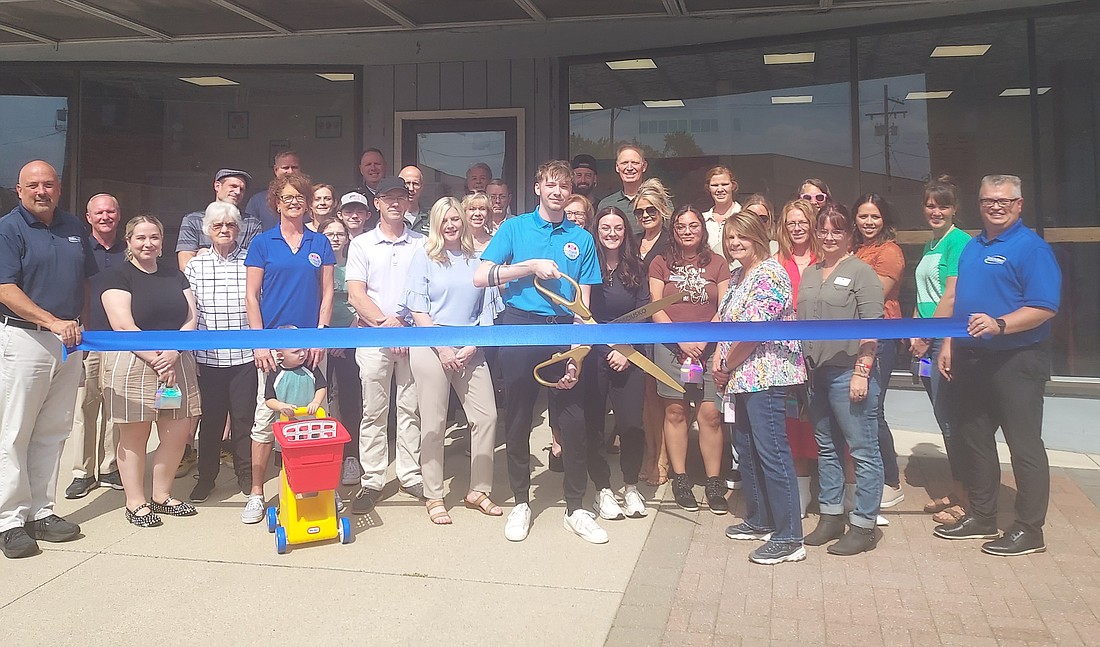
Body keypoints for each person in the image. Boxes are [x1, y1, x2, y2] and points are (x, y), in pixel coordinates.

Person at [475, 159, 607, 544]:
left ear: (571, 193)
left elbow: (585, 301)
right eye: (550, 185)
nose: (557, 192)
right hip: (520, 327)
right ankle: (521, 501)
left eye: (564, 188)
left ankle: (576, 507)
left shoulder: (580, 238)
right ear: (538, 188)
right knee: (517, 417)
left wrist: (580, 351)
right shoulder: (514, 228)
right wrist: (528, 266)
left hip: (565, 329)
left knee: (574, 420)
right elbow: (480, 275)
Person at [933, 175, 1061, 557]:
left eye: (1005, 200)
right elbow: (960, 302)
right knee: (974, 438)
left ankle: (1028, 529)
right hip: (972, 357)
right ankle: (983, 516)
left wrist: (1001, 324)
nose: (996, 206)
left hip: (1017, 358)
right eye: (989, 200)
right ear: (980, 203)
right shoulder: (972, 247)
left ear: (1019, 204)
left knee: (1024, 446)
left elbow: (1043, 307)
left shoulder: (1031, 248)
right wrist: (949, 343)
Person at [0, 160, 95, 558]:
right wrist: (53, 322)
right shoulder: (9, 228)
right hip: (26, 339)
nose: (42, 191)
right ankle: (9, 521)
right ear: (19, 191)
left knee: (53, 431)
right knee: (15, 433)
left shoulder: (73, 226)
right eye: (33, 185)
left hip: (67, 343)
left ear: (59, 188)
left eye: (49, 185)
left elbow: (84, 282)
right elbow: (5, 289)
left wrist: (77, 326)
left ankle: (41, 511)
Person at [713, 212, 807, 565]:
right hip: (739, 375)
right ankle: (760, 519)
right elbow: (725, 323)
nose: (735, 243)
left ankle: (789, 537)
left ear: (758, 237)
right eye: (730, 238)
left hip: (767, 375)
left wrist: (726, 364)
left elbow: (754, 330)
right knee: (747, 449)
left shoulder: (771, 274)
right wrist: (718, 361)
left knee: (772, 451)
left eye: (742, 237)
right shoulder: (738, 275)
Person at [242, 173, 335, 524]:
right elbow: (252, 296)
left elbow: (327, 293)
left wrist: (319, 337)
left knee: (313, 420)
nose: (294, 202)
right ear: (276, 202)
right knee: (265, 422)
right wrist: (260, 341)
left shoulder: (319, 243)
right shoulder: (263, 243)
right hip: (273, 347)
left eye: (300, 197)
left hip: (310, 347)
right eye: (287, 197)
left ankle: (320, 490)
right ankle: (256, 493)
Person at [403, 197, 502, 525]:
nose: (451, 225)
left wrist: (472, 345)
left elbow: (487, 309)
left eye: (455, 219)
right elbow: (418, 310)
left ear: (464, 222)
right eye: (444, 220)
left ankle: (479, 490)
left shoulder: (479, 260)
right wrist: (443, 349)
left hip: (471, 348)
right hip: (432, 347)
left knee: (486, 416)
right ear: (435, 223)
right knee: (434, 423)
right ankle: (434, 494)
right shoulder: (424, 258)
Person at [100, 215, 201, 527]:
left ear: (162, 242)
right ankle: (135, 502)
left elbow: (191, 318)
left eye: (154, 237)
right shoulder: (116, 275)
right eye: (141, 238)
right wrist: (155, 358)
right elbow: (122, 324)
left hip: (176, 363)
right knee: (134, 435)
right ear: (129, 242)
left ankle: (162, 495)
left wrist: (173, 353)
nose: (148, 243)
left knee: (176, 432)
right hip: (134, 363)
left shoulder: (176, 276)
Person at [798, 202, 884, 556]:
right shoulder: (810, 272)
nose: (829, 236)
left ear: (850, 235)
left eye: (837, 230)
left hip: (849, 372)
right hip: (815, 374)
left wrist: (862, 371)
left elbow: (872, 326)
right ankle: (831, 516)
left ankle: (864, 525)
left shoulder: (861, 272)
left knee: (863, 450)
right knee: (826, 449)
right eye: (824, 230)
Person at [346, 176, 426, 514]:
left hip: (412, 336)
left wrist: (404, 325)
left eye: (400, 197)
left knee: (411, 409)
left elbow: (427, 288)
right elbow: (356, 293)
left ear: (408, 202)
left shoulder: (422, 243)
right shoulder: (361, 244)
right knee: (374, 411)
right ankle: (373, 479)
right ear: (376, 203)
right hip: (373, 337)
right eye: (386, 197)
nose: (394, 203)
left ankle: (410, 475)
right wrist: (385, 326)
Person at [649, 204, 731, 513]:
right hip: (671, 348)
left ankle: (713, 482)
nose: (687, 230)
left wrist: (703, 340)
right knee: (675, 412)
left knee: (710, 414)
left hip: (710, 350)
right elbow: (655, 306)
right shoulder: (660, 262)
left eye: (693, 225)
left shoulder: (718, 264)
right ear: (674, 230)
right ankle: (681, 479)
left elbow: (724, 308)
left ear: (702, 228)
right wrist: (681, 340)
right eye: (681, 226)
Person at [184, 202, 256, 502]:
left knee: (243, 419)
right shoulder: (195, 265)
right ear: (208, 231)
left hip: (245, 356)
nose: (225, 230)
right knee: (211, 421)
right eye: (218, 226)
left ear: (238, 229)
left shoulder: (252, 261)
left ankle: (246, 474)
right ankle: (207, 476)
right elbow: (191, 311)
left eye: (230, 225)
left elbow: (258, 302)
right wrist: (190, 354)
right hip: (208, 357)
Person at [583, 206, 650, 520]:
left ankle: (631, 486)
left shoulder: (636, 266)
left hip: (629, 356)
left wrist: (625, 349)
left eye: (618, 228)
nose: (612, 233)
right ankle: (602, 490)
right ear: (597, 230)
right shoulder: (587, 265)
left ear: (626, 233)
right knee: (593, 425)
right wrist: (605, 346)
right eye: (605, 227)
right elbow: (583, 314)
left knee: (632, 426)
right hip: (594, 355)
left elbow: (644, 311)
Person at [911, 175, 971, 524]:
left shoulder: (957, 242)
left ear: (954, 209)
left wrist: (935, 334)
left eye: (943, 205)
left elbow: (951, 294)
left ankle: (966, 499)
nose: (936, 211)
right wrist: (917, 329)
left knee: (952, 419)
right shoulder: (931, 243)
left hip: (946, 338)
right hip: (929, 335)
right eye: (931, 205)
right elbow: (923, 295)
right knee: (942, 416)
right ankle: (956, 488)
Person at [65, 193, 125, 499]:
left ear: (118, 214)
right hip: (87, 339)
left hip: (119, 342)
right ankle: (83, 472)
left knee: (116, 409)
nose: (105, 216)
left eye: (110, 211)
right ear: (89, 218)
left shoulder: (129, 250)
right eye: (99, 212)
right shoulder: (77, 249)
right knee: (85, 408)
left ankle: (111, 466)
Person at [852, 193, 906, 512]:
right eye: (863, 216)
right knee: (861, 410)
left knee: (874, 409)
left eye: (874, 216)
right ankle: (868, 476)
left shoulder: (890, 251)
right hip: (854, 336)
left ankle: (891, 481)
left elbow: (875, 295)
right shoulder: (855, 249)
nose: (869, 222)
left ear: (884, 218)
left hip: (880, 335)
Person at [774, 198, 821, 518]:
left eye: (802, 221)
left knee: (828, 425)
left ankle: (839, 499)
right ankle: (801, 496)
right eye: (791, 222)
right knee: (795, 425)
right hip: (789, 356)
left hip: (824, 355)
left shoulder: (826, 259)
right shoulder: (777, 261)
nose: (797, 227)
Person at [317, 217, 363, 486]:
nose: (335, 238)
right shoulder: (315, 267)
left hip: (351, 340)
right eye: (329, 233)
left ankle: (350, 456)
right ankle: (323, 453)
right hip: (320, 341)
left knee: (349, 400)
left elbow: (361, 301)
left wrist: (344, 339)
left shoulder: (354, 265)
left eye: (339, 233)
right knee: (320, 400)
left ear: (347, 237)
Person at [633, 177, 673, 487]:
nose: (645, 216)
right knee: (646, 396)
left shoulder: (672, 242)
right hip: (636, 325)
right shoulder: (631, 242)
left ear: (661, 211)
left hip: (664, 322)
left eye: (650, 211)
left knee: (665, 396)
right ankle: (651, 453)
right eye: (639, 212)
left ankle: (665, 458)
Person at [176, 168, 263, 270]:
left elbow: (254, 265)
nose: (238, 192)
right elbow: (185, 266)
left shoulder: (252, 223)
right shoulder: (192, 221)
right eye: (233, 186)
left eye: (242, 189)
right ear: (217, 186)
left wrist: (202, 255)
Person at [264, 345, 327, 420]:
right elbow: (269, 399)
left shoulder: (310, 366)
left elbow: (321, 387)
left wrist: (316, 402)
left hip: (312, 421)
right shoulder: (274, 372)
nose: (303, 353)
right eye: (296, 352)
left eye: (304, 349)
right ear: (280, 355)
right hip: (286, 423)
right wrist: (280, 406)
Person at [598, 144, 650, 234]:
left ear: (644, 166)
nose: (629, 168)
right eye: (624, 163)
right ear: (617, 167)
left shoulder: (659, 201)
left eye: (634, 163)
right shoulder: (605, 204)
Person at [247, 151, 302, 230]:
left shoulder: (309, 199)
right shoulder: (257, 201)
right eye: (285, 168)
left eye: (294, 167)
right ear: (276, 170)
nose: (290, 171)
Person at [701, 166, 742, 254]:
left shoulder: (744, 216)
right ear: (708, 188)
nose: (720, 189)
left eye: (724, 184)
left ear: (733, 186)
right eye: (715, 185)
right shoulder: (701, 220)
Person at [355, 148, 386, 222]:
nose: (373, 168)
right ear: (361, 169)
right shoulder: (355, 195)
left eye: (377, 164)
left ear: (385, 166)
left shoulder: (395, 195)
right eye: (368, 164)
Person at [400, 166, 430, 236]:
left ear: (422, 186)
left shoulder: (431, 218)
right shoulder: (392, 217)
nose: (411, 188)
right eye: (407, 183)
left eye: (415, 184)